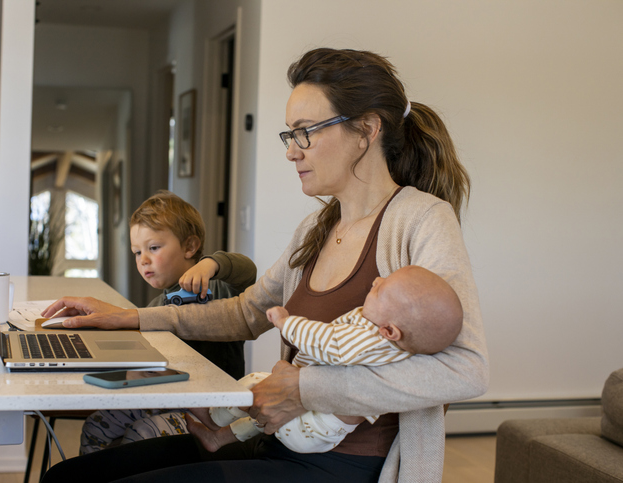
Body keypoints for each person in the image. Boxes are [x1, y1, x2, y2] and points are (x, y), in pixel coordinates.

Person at [41, 47, 488, 483]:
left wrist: (303, 390)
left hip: (344, 466)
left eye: (306, 131)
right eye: (289, 134)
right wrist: (129, 318)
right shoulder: (316, 227)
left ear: (366, 129)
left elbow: (465, 370)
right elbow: (245, 311)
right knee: (69, 477)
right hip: (276, 441)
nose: (292, 150)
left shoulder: (422, 219)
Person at [188, 265, 464, 454]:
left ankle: (214, 417)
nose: (376, 281)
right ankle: (217, 437)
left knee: (256, 385)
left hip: (314, 426)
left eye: (381, 290)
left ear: (390, 330)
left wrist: (287, 324)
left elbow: (327, 341)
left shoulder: (371, 338)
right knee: (261, 416)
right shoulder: (397, 345)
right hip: (319, 427)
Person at [79, 190, 257, 454]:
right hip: (170, 398)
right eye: (137, 252)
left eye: (153, 248)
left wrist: (210, 265)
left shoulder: (219, 288)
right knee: (96, 425)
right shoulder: (157, 307)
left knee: (142, 433)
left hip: (215, 413)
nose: (143, 260)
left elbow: (247, 270)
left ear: (190, 247)